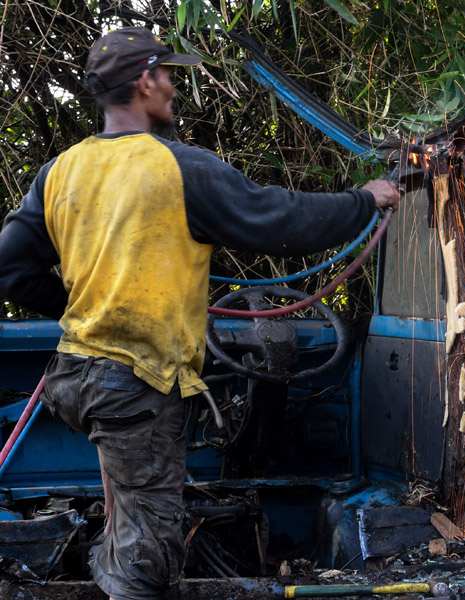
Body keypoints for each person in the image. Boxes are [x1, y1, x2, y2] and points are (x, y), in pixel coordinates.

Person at [0, 27, 399, 600]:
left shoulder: (60, 171)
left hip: (73, 376)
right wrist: (365, 200)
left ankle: (109, 558)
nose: (174, 87)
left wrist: (91, 307)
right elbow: (280, 220)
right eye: (168, 75)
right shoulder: (176, 167)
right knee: (148, 566)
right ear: (144, 81)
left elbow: (11, 270)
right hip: (132, 385)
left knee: (125, 513)